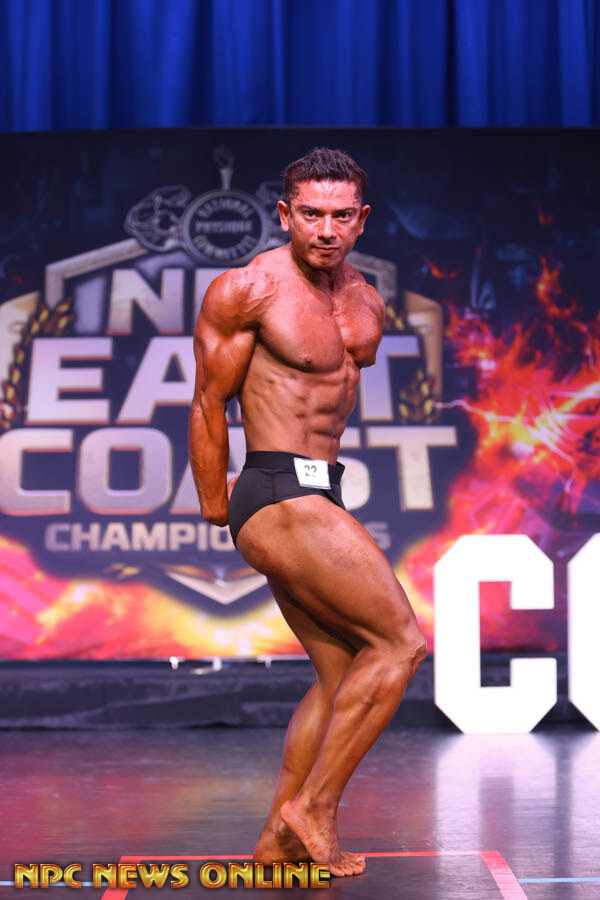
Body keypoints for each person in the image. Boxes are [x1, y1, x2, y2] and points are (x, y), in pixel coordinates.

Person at [189, 147, 427, 877]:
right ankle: (315, 806)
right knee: (400, 645)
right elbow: (209, 401)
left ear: (362, 219)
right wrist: (217, 506)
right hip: (275, 488)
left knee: (341, 673)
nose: (326, 229)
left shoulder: (365, 300)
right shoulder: (248, 289)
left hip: (321, 488)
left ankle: (278, 839)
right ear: (285, 214)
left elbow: (333, 394)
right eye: (311, 214)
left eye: (341, 215)